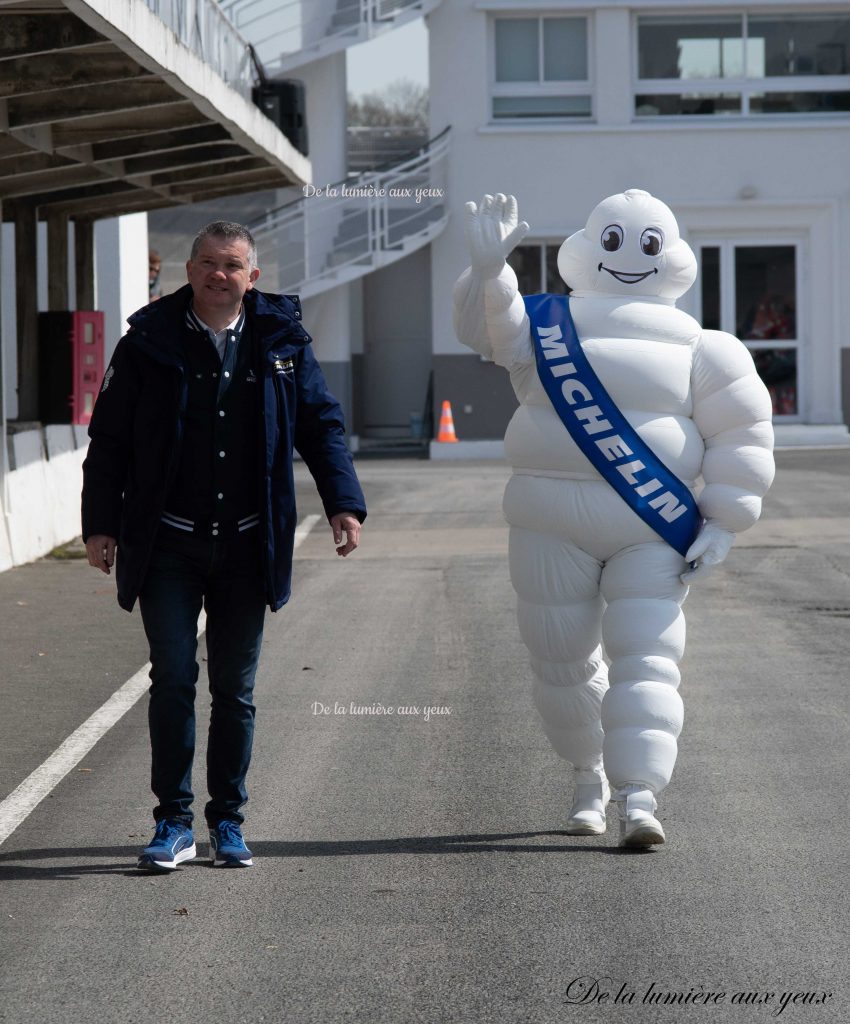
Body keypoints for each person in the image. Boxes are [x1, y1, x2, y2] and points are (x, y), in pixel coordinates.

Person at [453, 191, 774, 848]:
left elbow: (741, 433)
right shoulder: (544, 324)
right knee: (560, 662)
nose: (631, 256)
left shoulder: (703, 347)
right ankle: (586, 774)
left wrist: (726, 519)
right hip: (549, 527)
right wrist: (488, 273)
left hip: (650, 532)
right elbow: (485, 330)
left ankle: (640, 795)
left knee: (648, 660)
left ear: (672, 253)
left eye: (648, 243)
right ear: (587, 247)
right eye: (615, 241)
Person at [82, 221, 366, 871]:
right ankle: (173, 823)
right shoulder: (149, 341)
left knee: (235, 690)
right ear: (188, 269)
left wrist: (343, 504)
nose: (219, 275)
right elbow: (112, 440)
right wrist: (101, 524)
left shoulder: (282, 342)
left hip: (246, 545)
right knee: (174, 679)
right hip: (169, 547)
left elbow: (320, 426)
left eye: (232, 265)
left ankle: (228, 822)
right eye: (207, 263)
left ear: (252, 277)